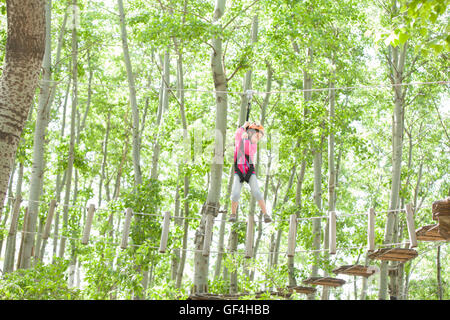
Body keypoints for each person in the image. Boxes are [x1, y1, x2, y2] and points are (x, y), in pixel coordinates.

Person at [229, 121, 272, 223]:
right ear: (250, 133)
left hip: (249, 171)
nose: (258, 139)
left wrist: (245, 139)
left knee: (257, 192)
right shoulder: (240, 138)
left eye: (259, 138)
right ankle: (233, 214)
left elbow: (248, 151)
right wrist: (243, 127)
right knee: (235, 194)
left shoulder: (253, 146)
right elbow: (237, 135)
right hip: (239, 171)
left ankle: (265, 214)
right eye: (257, 136)